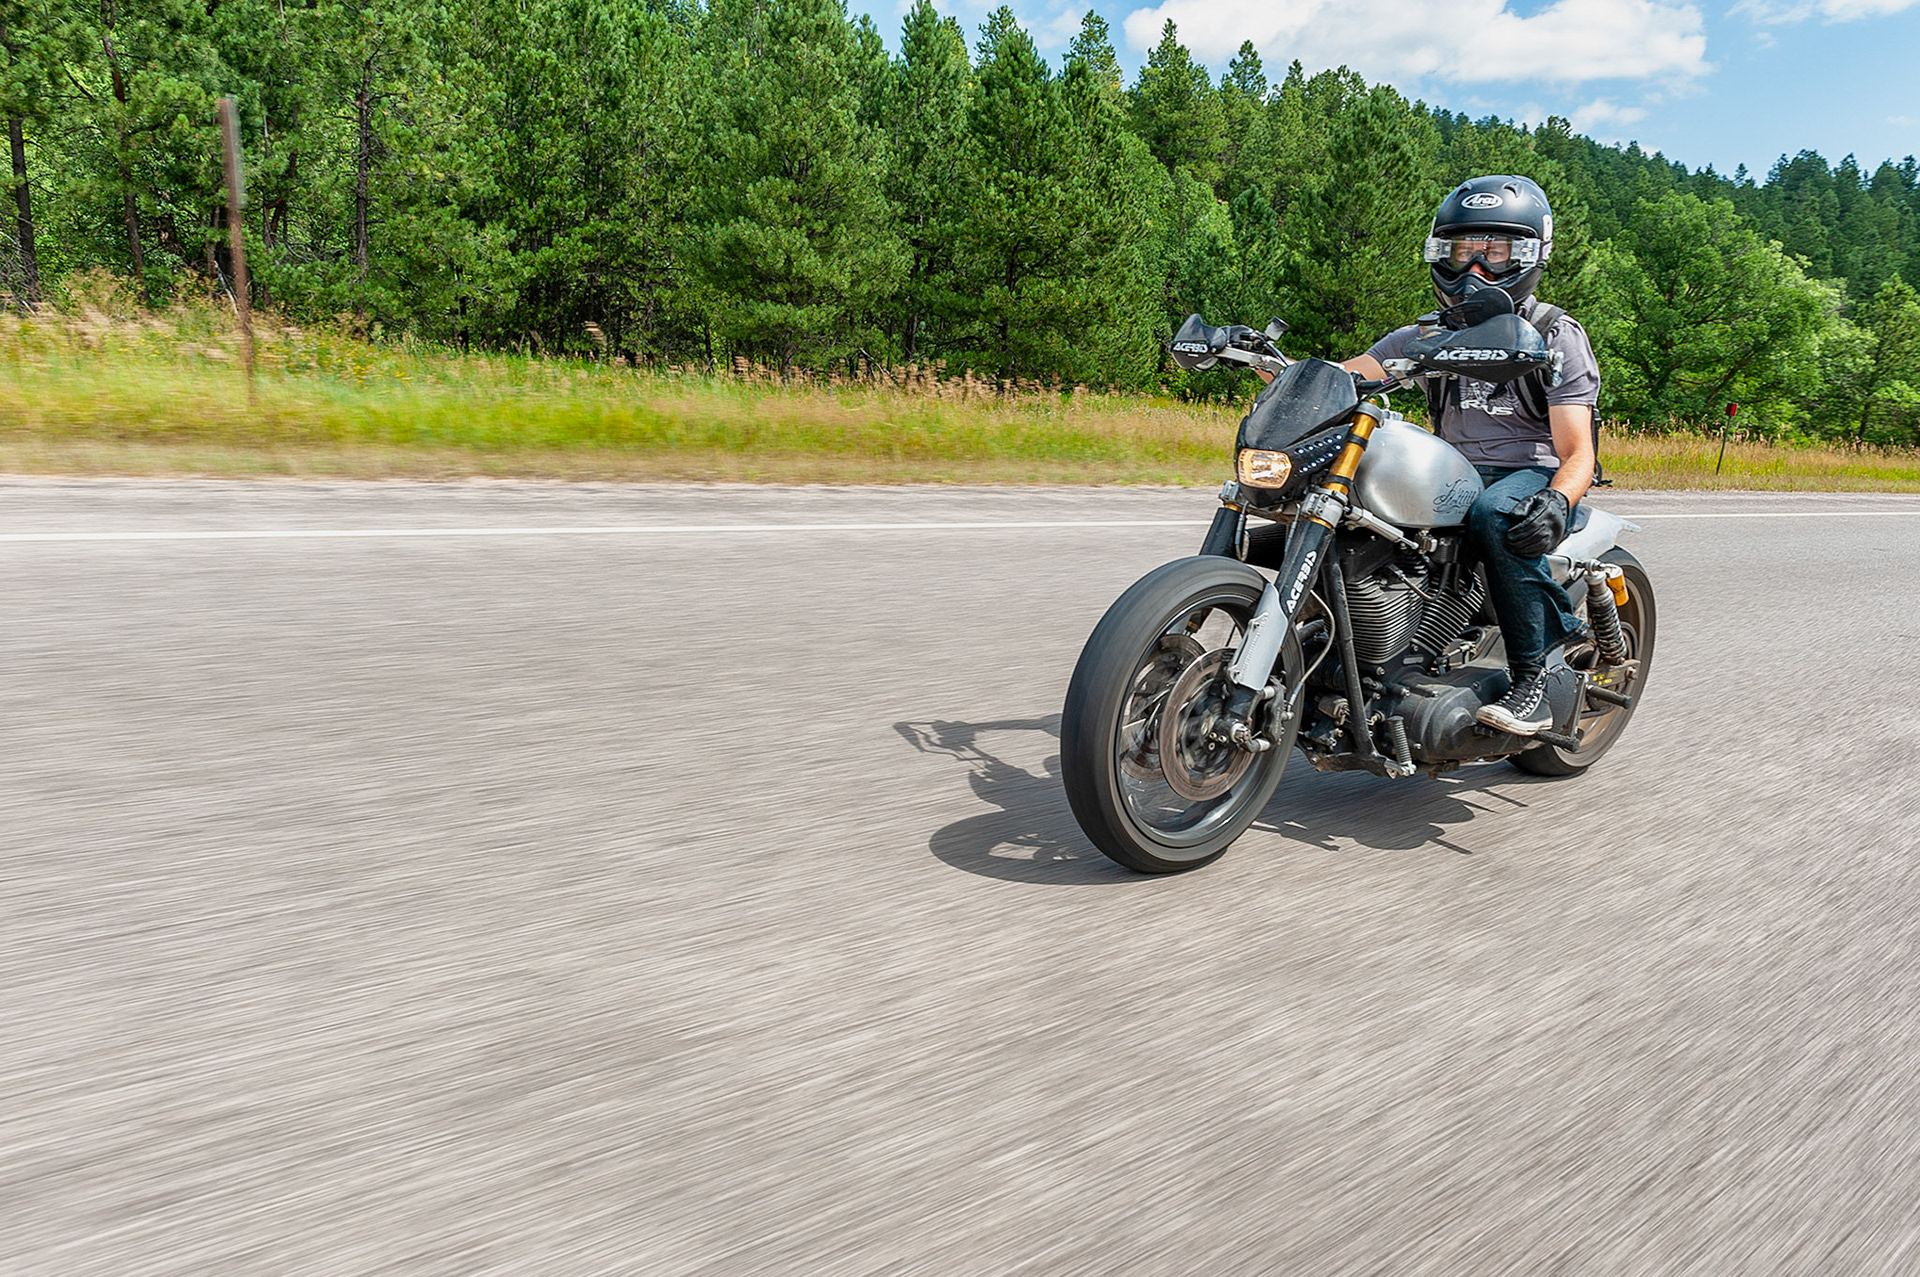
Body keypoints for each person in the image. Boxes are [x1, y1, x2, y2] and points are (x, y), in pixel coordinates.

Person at [1341, 174, 1600, 735]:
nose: (1474, 269)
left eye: (1495, 252)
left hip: (1529, 472)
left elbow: (1577, 451)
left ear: (1528, 256)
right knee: (1350, 504)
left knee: (1495, 514)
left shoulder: (1554, 335)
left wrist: (1557, 500)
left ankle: (1536, 679)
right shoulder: (1424, 334)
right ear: (1442, 254)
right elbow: (1343, 378)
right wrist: (1260, 358)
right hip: (1452, 470)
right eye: (1463, 252)